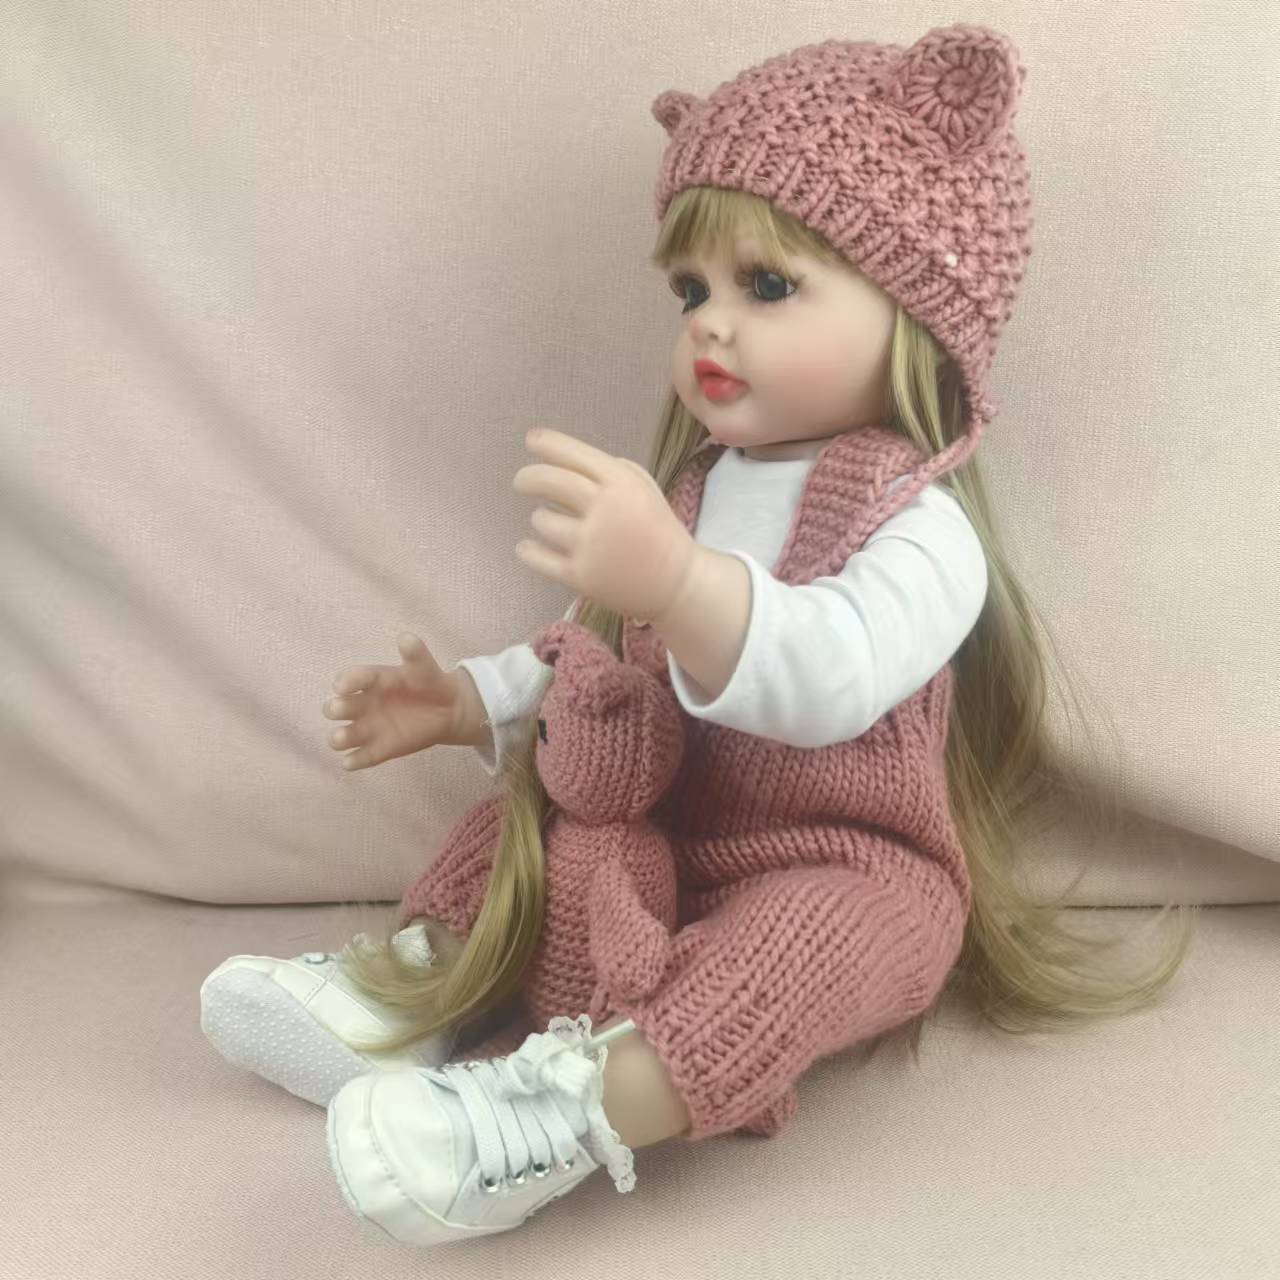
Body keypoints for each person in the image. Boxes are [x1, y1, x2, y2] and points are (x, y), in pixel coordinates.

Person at [201, 23, 1195, 1248]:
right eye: (690, 292)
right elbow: (591, 655)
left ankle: (552, 1112)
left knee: (792, 954)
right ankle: (410, 986)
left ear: (917, 312)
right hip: (668, 822)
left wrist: (676, 582)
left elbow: (831, 672)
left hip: (847, 862)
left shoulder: (914, 522)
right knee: (538, 820)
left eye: (764, 287)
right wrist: (465, 699)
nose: (710, 326)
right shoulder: (687, 492)